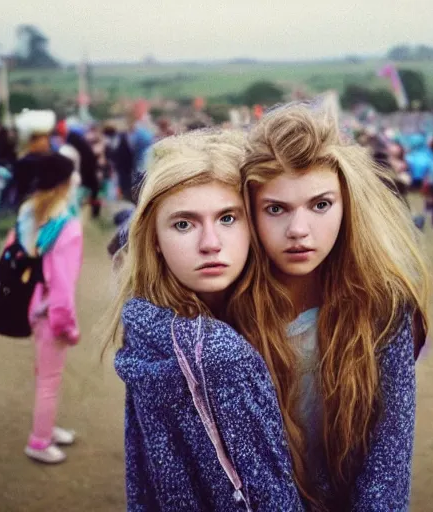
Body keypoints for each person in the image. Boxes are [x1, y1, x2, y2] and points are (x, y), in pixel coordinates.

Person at [232, 103, 430, 510]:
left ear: (347, 204)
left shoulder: (383, 305)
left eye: (320, 205)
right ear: (248, 211)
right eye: (276, 209)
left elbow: (388, 464)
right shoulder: (224, 308)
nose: (299, 231)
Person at [106, 130, 303, 510]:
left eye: (228, 218)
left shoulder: (146, 320)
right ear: (154, 239)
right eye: (184, 224)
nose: (210, 242)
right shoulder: (218, 354)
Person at [16, 140, 84, 464]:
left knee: (43, 373)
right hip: (50, 313)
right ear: (67, 182)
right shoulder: (67, 227)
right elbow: (62, 287)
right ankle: (39, 440)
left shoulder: (29, 212)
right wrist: (67, 325)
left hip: (31, 305)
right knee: (49, 380)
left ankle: (48, 427)